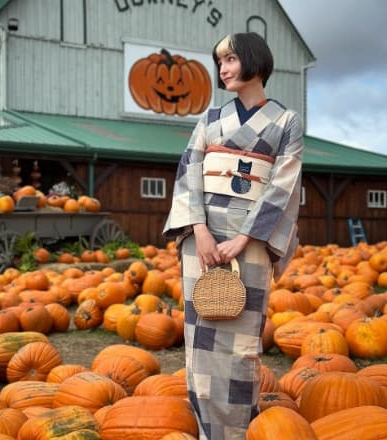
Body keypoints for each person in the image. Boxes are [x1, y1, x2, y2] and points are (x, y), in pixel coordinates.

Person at [163, 32, 303, 439]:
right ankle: (208, 430)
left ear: (254, 60)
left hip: (252, 241)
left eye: (230, 59)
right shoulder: (209, 120)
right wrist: (200, 232)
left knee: (242, 341)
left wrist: (243, 239)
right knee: (200, 338)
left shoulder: (285, 122)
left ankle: (239, 430)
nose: (222, 68)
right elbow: (188, 171)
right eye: (219, 61)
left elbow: (283, 186)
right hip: (202, 238)